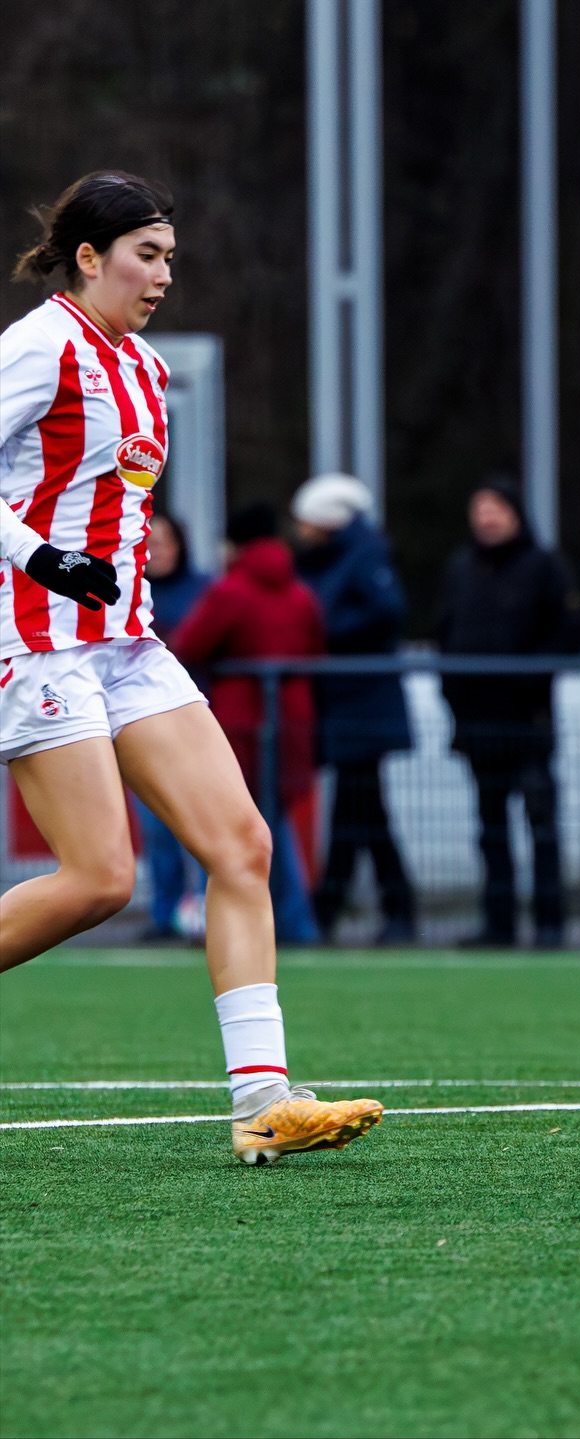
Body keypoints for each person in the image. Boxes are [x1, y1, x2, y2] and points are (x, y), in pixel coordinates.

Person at [0, 170, 380, 1164]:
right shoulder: (40, 347)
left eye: (171, 256)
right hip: (36, 636)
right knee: (98, 879)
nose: (165, 274)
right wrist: (37, 552)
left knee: (242, 845)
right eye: (147, 254)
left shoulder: (148, 370)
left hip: (127, 642)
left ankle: (263, 1101)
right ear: (89, 256)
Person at [435, 476, 580, 946]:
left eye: (496, 507)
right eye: (479, 508)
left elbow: (571, 631)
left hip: (528, 721)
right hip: (477, 722)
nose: (487, 517)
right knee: (490, 828)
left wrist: (528, 682)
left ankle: (549, 924)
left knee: (541, 823)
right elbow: (444, 632)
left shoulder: (545, 566)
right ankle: (498, 924)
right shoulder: (461, 568)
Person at [171, 503, 325, 948]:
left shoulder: (231, 591)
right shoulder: (300, 593)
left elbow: (191, 643)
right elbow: (316, 650)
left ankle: (221, 922)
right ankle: (298, 924)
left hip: (239, 723)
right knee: (273, 824)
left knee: (223, 825)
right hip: (291, 720)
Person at [292, 472, 417, 943]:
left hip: (362, 703)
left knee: (360, 810)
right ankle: (365, 907)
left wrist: (324, 632)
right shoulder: (339, 557)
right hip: (351, 703)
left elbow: (385, 611)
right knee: (362, 810)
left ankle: (342, 908)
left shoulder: (359, 557)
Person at [133, 512, 210, 941]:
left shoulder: (204, 590)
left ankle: (204, 914)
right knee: (156, 830)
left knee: (201, 827)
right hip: (140, 725)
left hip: (191, 721)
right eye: (151, 541)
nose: (157, 550)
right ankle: (164, 916)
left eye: (165, 542)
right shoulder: (123, 589)